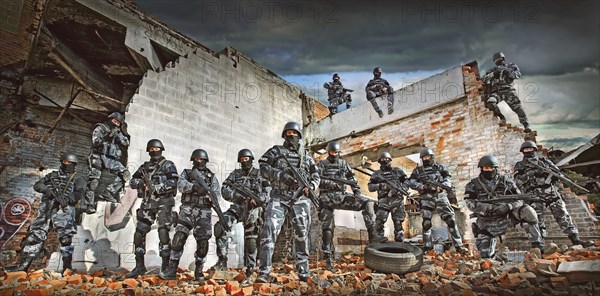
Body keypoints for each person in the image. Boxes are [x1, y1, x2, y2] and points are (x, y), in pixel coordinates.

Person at [255, 122, 320, 283]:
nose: (291, 135)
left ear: (299, 135)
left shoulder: (307, 156)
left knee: (302, 234)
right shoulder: (276, 151)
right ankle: (264, 271)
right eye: (288, 133)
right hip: (279, 197)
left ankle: (303, 272)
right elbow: (263, 166)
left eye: (294, 133)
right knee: (269, 230)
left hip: (300, 200)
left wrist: (311, 186)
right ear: (284, 135)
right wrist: (280, 175)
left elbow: (316, 175)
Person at [318, 142, 387, 270]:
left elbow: (352, 178)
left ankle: (373, 236)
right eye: (332, 153)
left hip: (341, 196)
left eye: (336, 153)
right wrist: (331, 183)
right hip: (326, 198)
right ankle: (328, 257)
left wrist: (356, 192)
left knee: (367, 203)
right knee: (327, 228)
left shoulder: (344, 164)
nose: (334, 155)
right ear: (328, 152)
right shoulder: (322, 164)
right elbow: (316, 179)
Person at [160, 148, 225, 280]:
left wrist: (209, 196)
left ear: (205, 161)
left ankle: (199, 271)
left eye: (201, 159)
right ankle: (171, 270)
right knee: (178, 238)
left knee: (203, 243)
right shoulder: (187, 173)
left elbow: (216, 194)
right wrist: (194, 187)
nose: (198, 161)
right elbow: (180, 185)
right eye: (196, 159)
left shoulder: (211, 177)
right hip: (187, 210)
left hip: (204, 212)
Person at [514, 141, 594, 247]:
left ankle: (575, 239)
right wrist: (531, 174)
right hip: (534, 195)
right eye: (526, 149)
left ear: (534, 150)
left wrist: (552, 175)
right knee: (536, 220)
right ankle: (538, 245)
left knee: (563, 215)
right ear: (523, 151)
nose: (528, 151)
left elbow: (557, 173)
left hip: (551, 192)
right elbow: (517, 181)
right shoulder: (520, 165)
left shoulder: (544, 161)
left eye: (530, 149)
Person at [15, 152, 86, 273]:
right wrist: (47, 191)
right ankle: (24, 265)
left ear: (74, 165)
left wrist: (68, 199)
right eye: (65, 162)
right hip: (46, 209)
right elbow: (38, 185)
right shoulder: (52, 176)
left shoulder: (78, 178)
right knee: (34, 238)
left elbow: (79, 193)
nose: (66, 164)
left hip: (64, 211)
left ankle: (67, 267)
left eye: (69, 163)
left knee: (65, 239)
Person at [465, 155, 543, 258]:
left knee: (528, 211)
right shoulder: (473, 184)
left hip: (507, 218)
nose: (488, 170)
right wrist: (488, 208)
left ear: (495, 168)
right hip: (486, 223)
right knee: (486, 255)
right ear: (481, 169)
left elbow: (519, 199)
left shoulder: (506, 181)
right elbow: (470, 203)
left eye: (491, 167)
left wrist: (508, 206)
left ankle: (538, 246)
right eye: (486, 168)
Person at [210, 149, 269, 277]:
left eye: (246, 159)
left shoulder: (260, 174)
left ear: (251, 160)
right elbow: (224, 188)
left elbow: (268, 191)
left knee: (251, 240)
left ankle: (251, 267)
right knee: (221, 226)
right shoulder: (235, 174)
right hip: (238, 207)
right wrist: (237, 197)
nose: (244, 161)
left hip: (252, 210)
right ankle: (222, 261)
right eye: (242, 160)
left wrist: (259, 200)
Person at [126, 139, 178, 278]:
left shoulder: (168, 165)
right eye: (152, 149)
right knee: (139, 233)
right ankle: (139, 266)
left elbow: (173, 182)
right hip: (148, 203)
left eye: (156, 149)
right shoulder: (145, 166)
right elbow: (132, 181)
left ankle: (166, 267)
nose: (154, 151)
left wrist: (156, 187)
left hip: (164, 202)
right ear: (148, 151)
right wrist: (141, 183)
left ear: (161, 150)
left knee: (163, 232)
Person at [408, 148, 465, 252]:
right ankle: (427, 247)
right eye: (424, 157)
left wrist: (443, 186)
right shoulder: (418, 170)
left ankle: (459, 246)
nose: (426, 159)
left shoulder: (440, 167)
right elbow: (411, 182)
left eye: (428, 157)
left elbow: (447, 178)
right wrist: (422, 186)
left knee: (451, 220)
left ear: (432, 157)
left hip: (440, 197)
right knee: (426, 223)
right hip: (425, 198)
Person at [82, 112, 130, 214]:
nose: (116, 123)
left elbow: (126, 143)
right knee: (94, 181)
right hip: (97, 156)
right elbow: (95, 142)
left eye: (118, 123)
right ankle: (89, 205)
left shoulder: (117, 131)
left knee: (125, 174)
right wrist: (107, 136)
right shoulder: (100, 128)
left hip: (109, 159)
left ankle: (108, 192)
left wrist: (122, 133)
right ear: (110, 119)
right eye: (115, 121)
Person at [482, 52, 531, 132]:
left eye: (499, 59)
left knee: (517, 107)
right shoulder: (493, 70)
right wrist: (494, 74)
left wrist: (508, 71)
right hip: (497, 92)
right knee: (490, 103)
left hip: (508, 90)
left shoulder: (511, 66)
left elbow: (518, 74)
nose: (498, 61)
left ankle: (526, 124)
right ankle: (501, 117)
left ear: (503, 59)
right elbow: (483, 79)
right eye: (496, 60)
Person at [367, 152, 407, 242]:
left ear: (390, 160)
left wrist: (400, 189)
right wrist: (381, 186)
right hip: (383, 201)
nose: (384, 161)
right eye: (382, 160)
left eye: (386, 159)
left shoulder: (397, 171)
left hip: (397, 200)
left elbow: (406, 182)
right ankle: (379, 241)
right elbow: (370, 187)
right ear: (379, 161)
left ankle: (400, 242)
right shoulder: (376, 174)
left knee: (398, 223)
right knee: (379, 223)